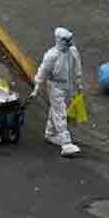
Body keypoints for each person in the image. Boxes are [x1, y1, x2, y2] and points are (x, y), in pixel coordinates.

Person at [32, 27, 83, 156]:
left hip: (68, 85)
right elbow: (43, 71)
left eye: (69, 39)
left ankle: (50, 133)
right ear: (59, 40)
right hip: (55, 87)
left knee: (56, 110)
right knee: (60, 113)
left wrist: (78, 83)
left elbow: (77, 67)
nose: (69, 42)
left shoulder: (73, 51)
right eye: (66, 40)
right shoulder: (52, 55)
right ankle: (66, 143)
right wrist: (37, 86)